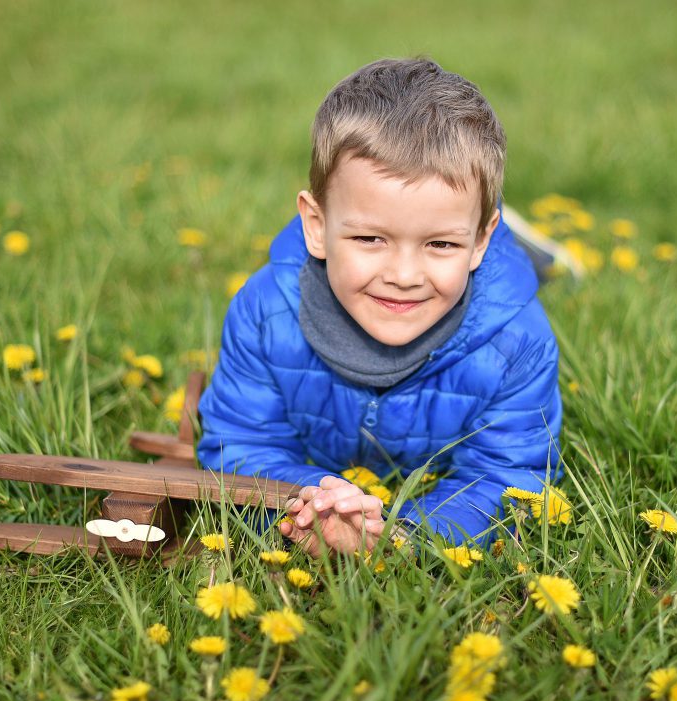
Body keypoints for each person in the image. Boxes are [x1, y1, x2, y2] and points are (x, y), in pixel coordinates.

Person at [196, 57, 563, 556]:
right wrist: (317, 507)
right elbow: (240, 446)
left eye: (440, 244)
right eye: (371, 238)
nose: (403, 276)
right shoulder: (265, 315)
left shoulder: (517, 341)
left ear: (479, 242)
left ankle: (526, 247)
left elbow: (509, 475)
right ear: (316, 226)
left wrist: (405, 538)